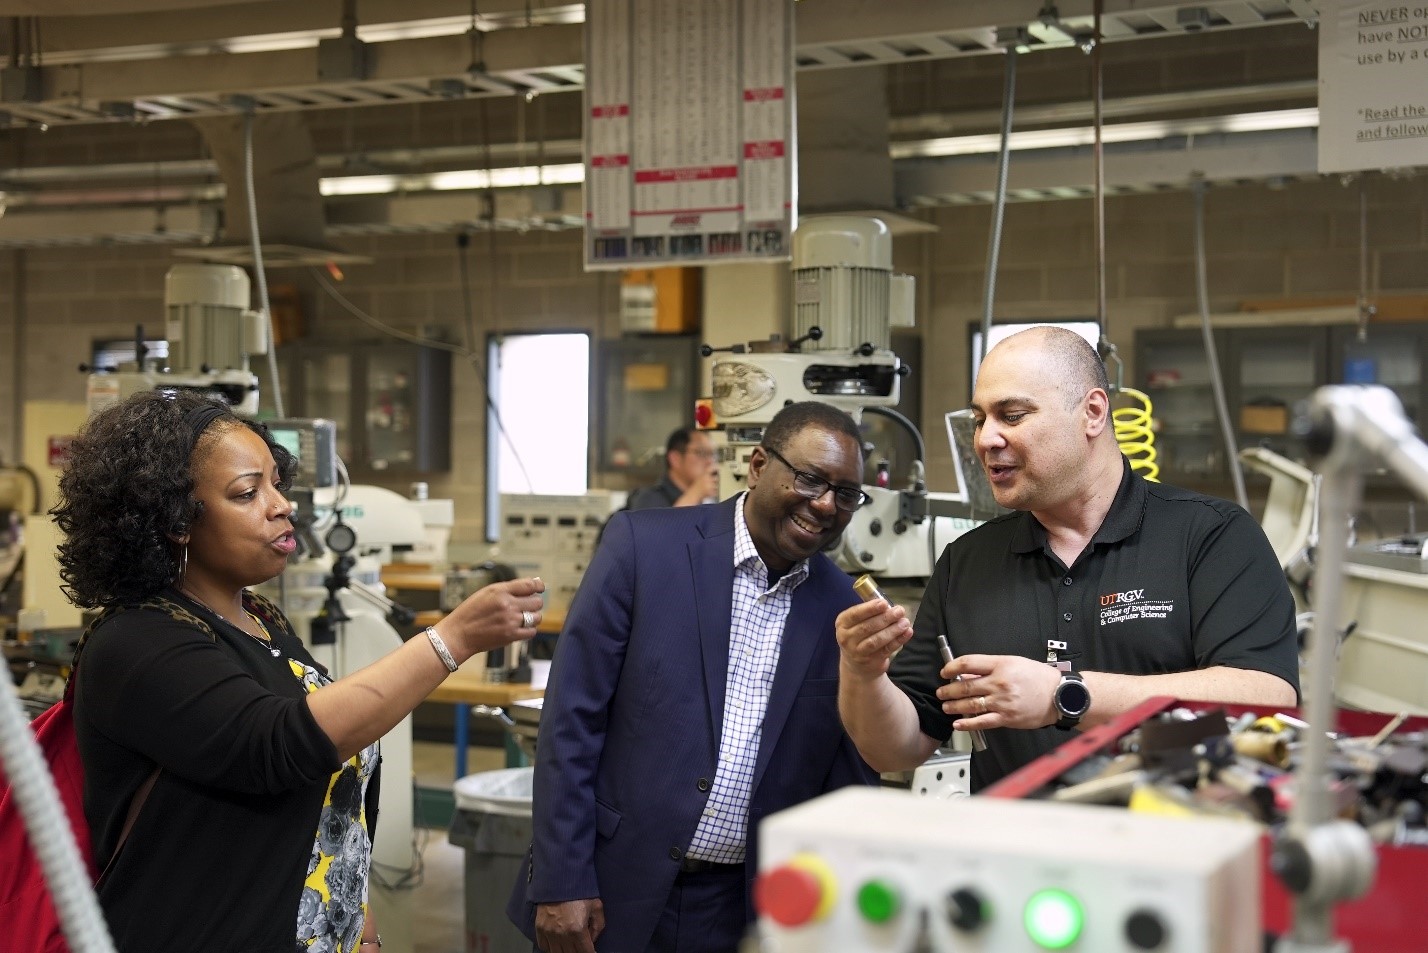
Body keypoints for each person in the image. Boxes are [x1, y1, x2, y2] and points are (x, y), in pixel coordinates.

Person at [52, 390, 546, 953]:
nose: (281, 505)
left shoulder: (259, 619)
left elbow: (322, 798)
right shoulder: (137, 642)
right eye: (246, 492)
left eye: (276, 483)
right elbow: (278, 745)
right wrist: (450, 640)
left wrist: (354, 917)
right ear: (175, 521)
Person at [836, 326, 1301, 791]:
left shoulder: (1210, 536)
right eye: (980, 420)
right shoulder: (967, 562)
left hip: (1164, 846)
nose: (985, 439)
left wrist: (1065, 695)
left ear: (1093, 413)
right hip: (1021, 853)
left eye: (1012, 415)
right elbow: (896, 747)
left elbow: (1266, 693)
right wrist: (863, 675)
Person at [507, 401, 878, 953]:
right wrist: (561, 880)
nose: (825, 505)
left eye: (846, 494)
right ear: (756, 466)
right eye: (809, 479)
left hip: (744, 910)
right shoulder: (642, 547)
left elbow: (848, 779)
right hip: (609, 888)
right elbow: (570, 721)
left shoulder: (843, 608)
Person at [626, 427, 720, 509]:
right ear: (675, 459)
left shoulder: (707, 498)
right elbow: (660, 529)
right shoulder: (649, 498)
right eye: (701, 452)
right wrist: (696, 494)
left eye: (712, 455)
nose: (710, 461)